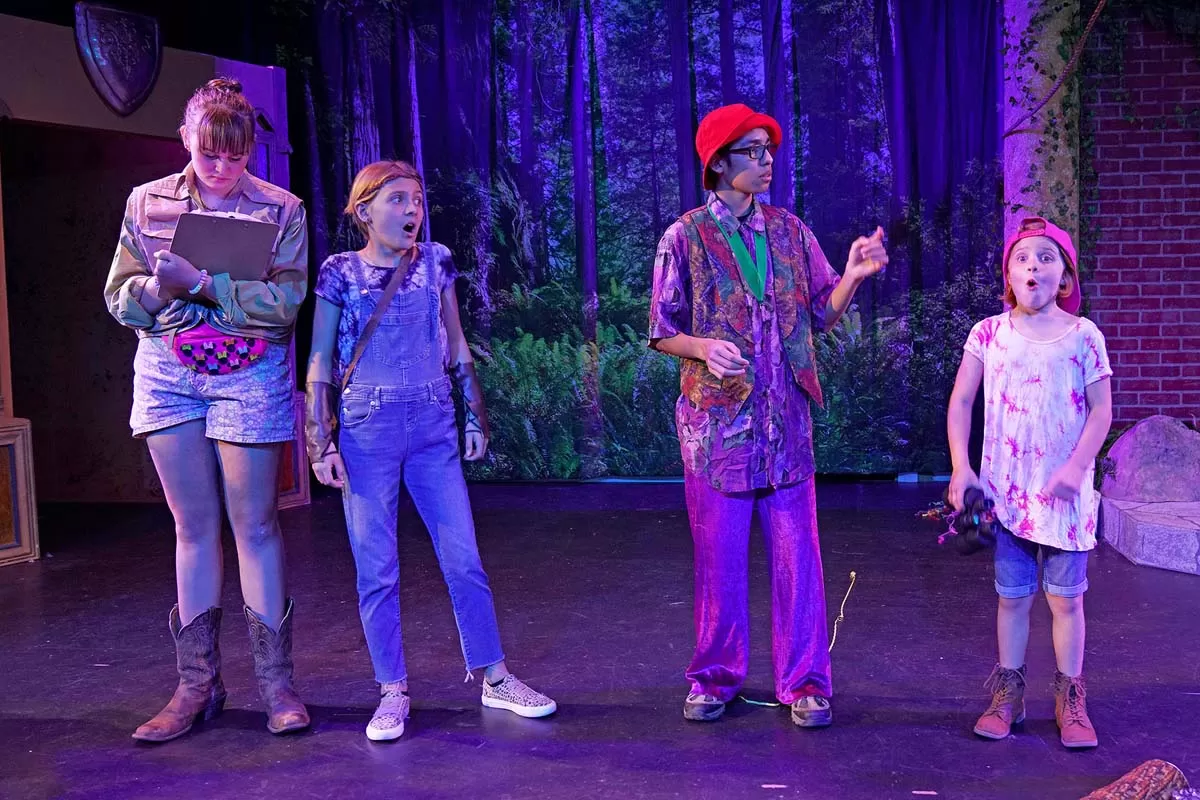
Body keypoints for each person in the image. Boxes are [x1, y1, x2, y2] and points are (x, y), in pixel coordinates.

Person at [648, 103, 887, 727]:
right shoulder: (685, 237)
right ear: (718, 162)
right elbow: (662, 329)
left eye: (768, 149)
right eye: (752, 151)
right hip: (718, 432)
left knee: (798, 561)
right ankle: (714, 677)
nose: (766, 160)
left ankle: (805, 681)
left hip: (786, 429)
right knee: (719, 564)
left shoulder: (789, 231)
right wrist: (703, 347)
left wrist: (852, 276)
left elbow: (821, 314)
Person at [305, 160, 556, 742]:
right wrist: (320, 441)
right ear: (364, 210)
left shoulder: (435, 261)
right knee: (376, 567)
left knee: (463, 557)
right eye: (396, 199)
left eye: (416, 199)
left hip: (432, 421)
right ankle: (392, 690)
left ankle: (495, 677)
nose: (411, 210)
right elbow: (320, 357)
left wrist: (474, 414)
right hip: (367, 426)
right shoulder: (339, 271)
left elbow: (456, 342)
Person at [104, 78, 310, 741]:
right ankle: (197, 685)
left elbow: (285, 304)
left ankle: (276, 684)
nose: (222, 166)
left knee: (256, 525)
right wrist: (158, 289)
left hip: (249, 372)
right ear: (185, 139)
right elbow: (120, 298)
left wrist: (205, 284)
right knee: (192, 527)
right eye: (209, 152)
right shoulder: (146, 201)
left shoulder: (281, 208)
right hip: (169, 370)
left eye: (236, 154)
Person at [947, 216, 1113, 749]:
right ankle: (1009, 695)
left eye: (1045, 257)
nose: (1033, 266)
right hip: (1008, 497)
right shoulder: (988, 334)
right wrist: (961, 467)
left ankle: (1070, 698)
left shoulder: (1084, 336)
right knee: (1013, 599)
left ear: (1064, 276)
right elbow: (962, 401)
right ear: (1009, 276)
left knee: (1066, 601)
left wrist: (1076, 468)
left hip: (1064, 500)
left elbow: (1102, 411)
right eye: (1022, 258)